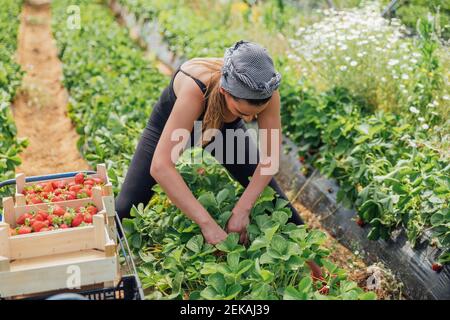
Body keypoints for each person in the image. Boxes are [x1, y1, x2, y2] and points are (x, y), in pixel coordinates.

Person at [115, 40, 304, 245]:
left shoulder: (265, 90)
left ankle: (317, 269)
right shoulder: (195, 87)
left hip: (224, 129)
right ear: (225, 91)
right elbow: (161, 167)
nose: (249, 120)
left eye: (255, 116)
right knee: (125, 209)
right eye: (243, 113)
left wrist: (243, 209)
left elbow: (270, 159)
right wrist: (208, 225)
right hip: (175, 125)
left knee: (274, 199)